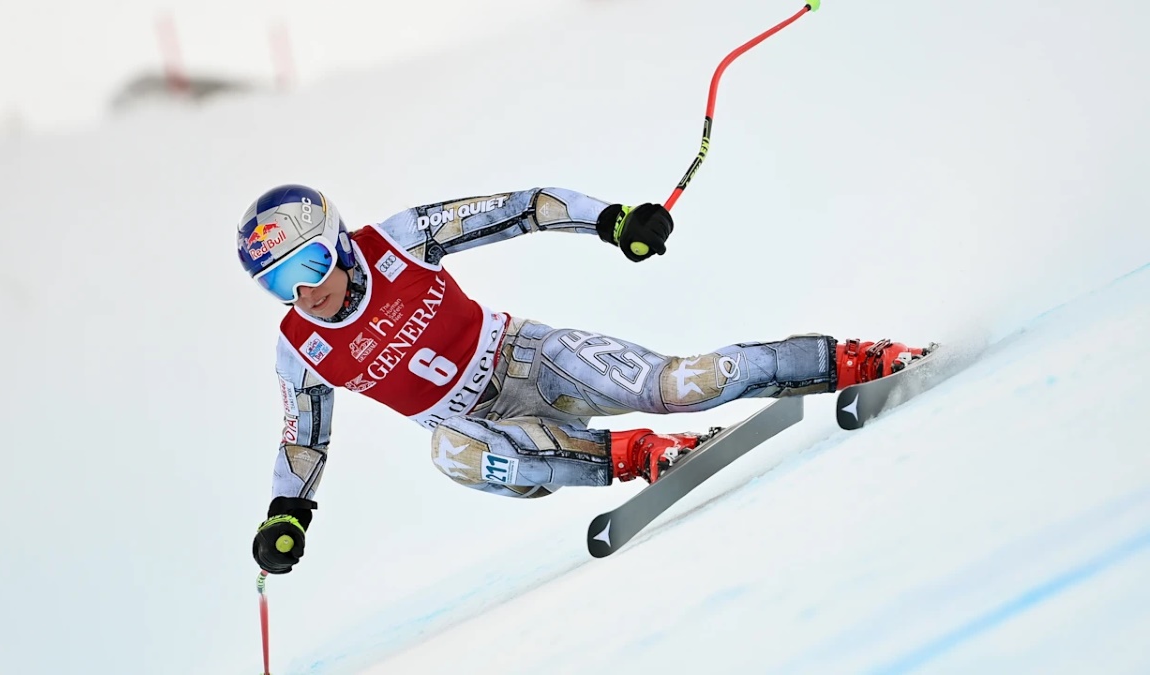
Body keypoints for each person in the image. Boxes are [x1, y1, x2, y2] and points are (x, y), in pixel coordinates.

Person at [240, 184, 928, 574]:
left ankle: (855, 360)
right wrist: (287, 514)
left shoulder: (399, 239)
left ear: (339, 242)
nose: (304, 293)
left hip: (528, 355)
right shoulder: (299, 348)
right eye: (278, 282)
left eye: (310, 265)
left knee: (678, 383)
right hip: (485, 430)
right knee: (450, 452)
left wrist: (613, 220)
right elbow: (304, 440)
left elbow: (524, 207)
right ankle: (639, 456)